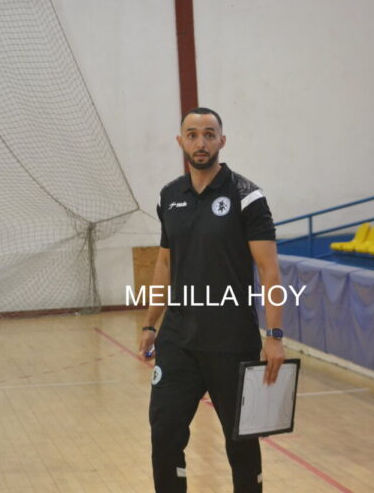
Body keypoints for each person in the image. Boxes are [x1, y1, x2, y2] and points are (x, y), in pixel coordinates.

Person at [138, 107, 285, 493]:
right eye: (192, 134)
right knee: (165, 434)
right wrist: (151, 323)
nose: (200, 142)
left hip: (231, 343)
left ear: (222, 140)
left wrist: (274, 335)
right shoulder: (169, 196)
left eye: (208, 134)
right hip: (178, 342)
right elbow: (165, 263)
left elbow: (269, 270)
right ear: (180, 141)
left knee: (241, 445)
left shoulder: (247, 196)